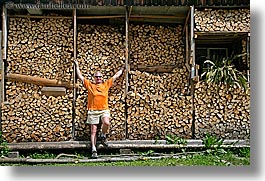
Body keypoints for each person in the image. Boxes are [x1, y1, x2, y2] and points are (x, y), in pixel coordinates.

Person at [74, 60, 124, 159]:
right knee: (93, 131)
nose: (98, 78)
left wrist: (122, 68)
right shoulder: (90, 85)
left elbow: (116, 76)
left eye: (100, 77)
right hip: (93, 111)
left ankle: (103, 135)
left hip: (104, 110)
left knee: (106, 123)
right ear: (94, 78)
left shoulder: (106, 84)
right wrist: (77, 66)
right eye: (97, 77)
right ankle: (93, 149)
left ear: (102, 78)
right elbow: (80, 77)